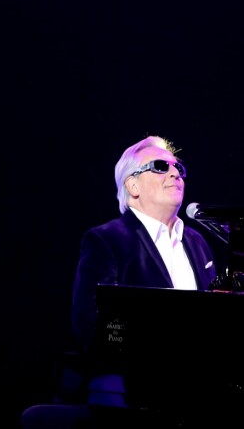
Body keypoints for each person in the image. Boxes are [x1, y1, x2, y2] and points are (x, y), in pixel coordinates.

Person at [71, 135, 217, 425]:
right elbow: (90, 323)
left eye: (179, 168)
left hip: (202, 398)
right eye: (161, 166)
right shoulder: (107, 239)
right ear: (132, 185)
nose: (175, 173)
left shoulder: (198, 242)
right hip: (133, 399)